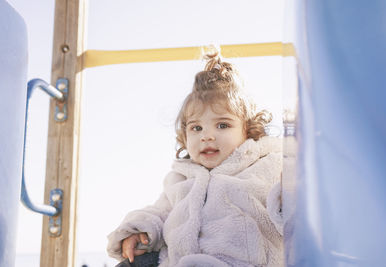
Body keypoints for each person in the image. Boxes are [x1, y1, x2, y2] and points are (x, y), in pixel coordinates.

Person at [107, 52, 284, 267]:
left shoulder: (267, 166)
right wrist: (141, 230)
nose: (206, 136)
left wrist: (287, 198)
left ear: (248, 129)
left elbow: (291, 210)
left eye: (222, 125)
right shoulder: (182, 179)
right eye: (196, 128)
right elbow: (160, 213)